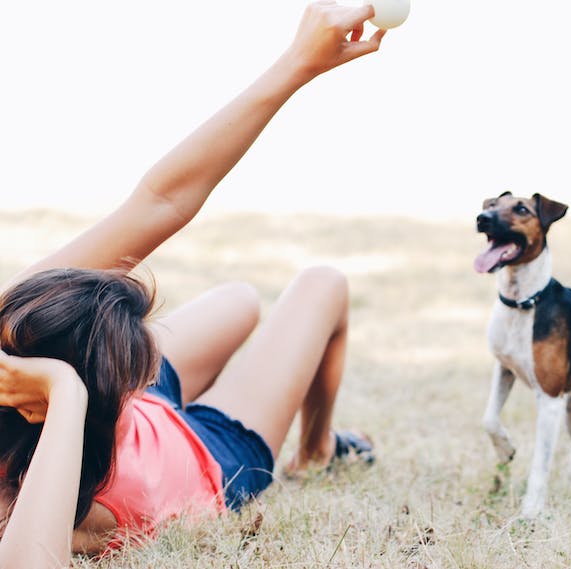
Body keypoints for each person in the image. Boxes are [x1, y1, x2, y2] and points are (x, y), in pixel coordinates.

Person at [0, 2, 386, 566]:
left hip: (123, 408)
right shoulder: (69, 503)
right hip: (208, 456)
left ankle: (157, 395)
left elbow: (160, 201)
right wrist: (67, 393)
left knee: (239, 299)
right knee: (322, 284)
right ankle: (318, 450)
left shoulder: (17, 322)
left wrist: (297, 63)